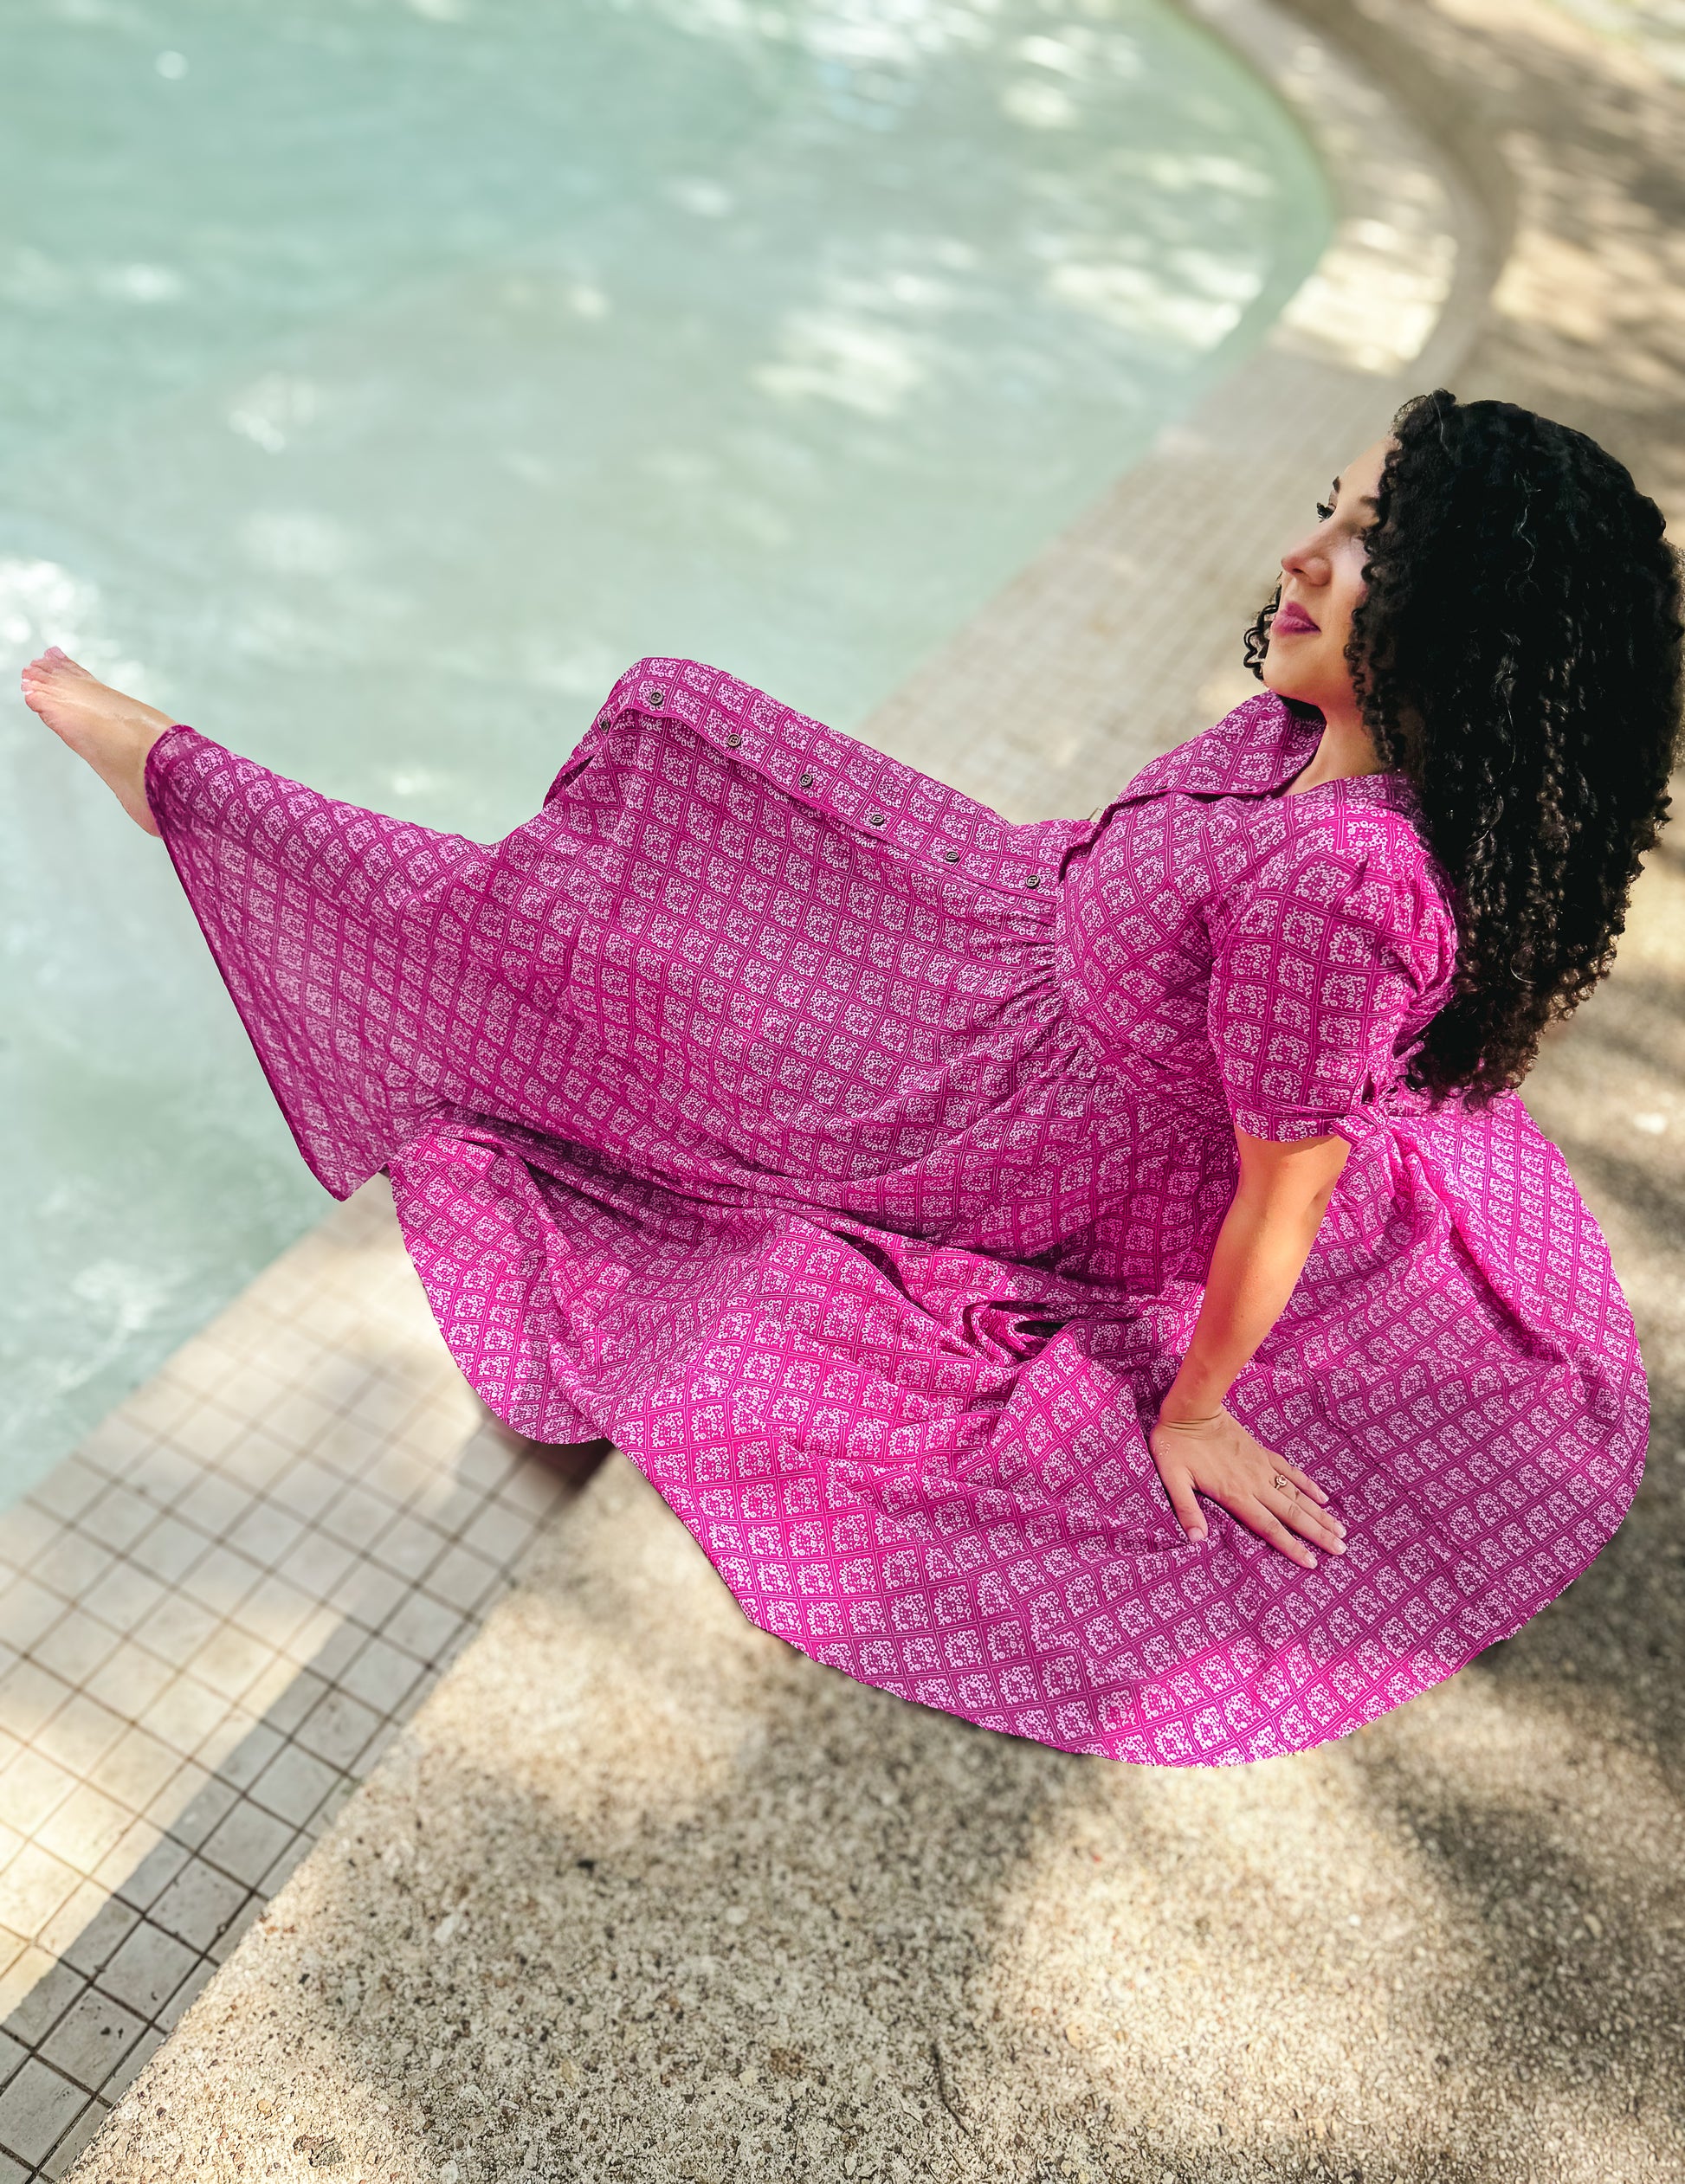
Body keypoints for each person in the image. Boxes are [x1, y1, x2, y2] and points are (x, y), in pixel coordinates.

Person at [22, 388, 1682, 1766]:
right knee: (683, 727)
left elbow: (1285, 1183)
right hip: (1000, 944)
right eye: (1326, 510)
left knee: (564, 965)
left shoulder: (1343, 885)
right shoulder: (1300, 732)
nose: (1303, 553)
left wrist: (1191, 1409)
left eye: (1367, 542)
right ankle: (215, 804)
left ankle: (191, 789)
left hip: (1019, 1125)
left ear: (1465, 618)